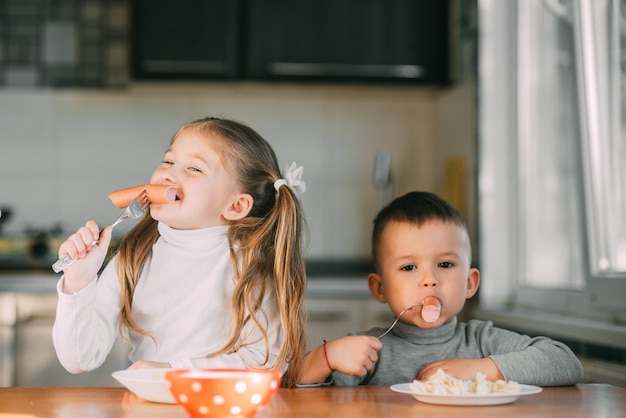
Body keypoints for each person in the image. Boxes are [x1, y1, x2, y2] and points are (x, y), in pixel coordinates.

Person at [52, 116, 308, 387]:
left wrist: (175, 371)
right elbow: (79, 359)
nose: (167, 174)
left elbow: (265, 361)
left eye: (194, 169)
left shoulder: (250, 267)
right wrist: (78, 283)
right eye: (169, 161)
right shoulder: (133, 257)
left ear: (236, 206)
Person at [297, 191, 584, 386]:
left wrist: (480, 370)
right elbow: (300, 391)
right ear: (380, 288)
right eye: (409, 267)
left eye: (445, 265)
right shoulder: (369, 351)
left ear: (470, 283)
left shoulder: (481, 341)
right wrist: (326, 357)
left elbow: (566, 362)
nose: (429, 280)